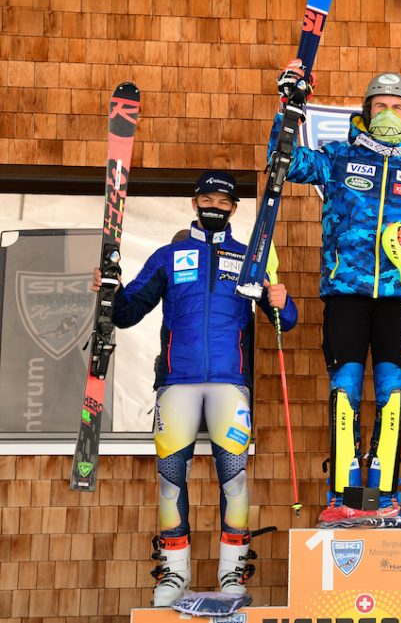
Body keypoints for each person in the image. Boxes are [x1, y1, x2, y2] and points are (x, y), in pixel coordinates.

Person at [92, 171, 298, 607]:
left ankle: (232, 572)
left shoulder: (249, 259)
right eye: (207, 199)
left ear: (234, 210)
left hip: (229, 383)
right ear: (194, 203)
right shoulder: (169, 256)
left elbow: (287, 320)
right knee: (170, 482)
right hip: (177, 382)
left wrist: (282, 300)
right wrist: (108, 290)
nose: (214, 207)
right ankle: (174, 573)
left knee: (235, 480)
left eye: (223, 202)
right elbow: (127, 313)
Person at [271, 64, 401, 522]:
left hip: (399, 296)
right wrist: (289, 108)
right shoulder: (338, 157)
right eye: (380, 106)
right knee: (345, 387)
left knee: (393, 391)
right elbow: (285, 162)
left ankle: (384, 491)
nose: (388, 113)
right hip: (346, 291)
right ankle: (345, 492)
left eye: (397, 107)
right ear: (366, 111)